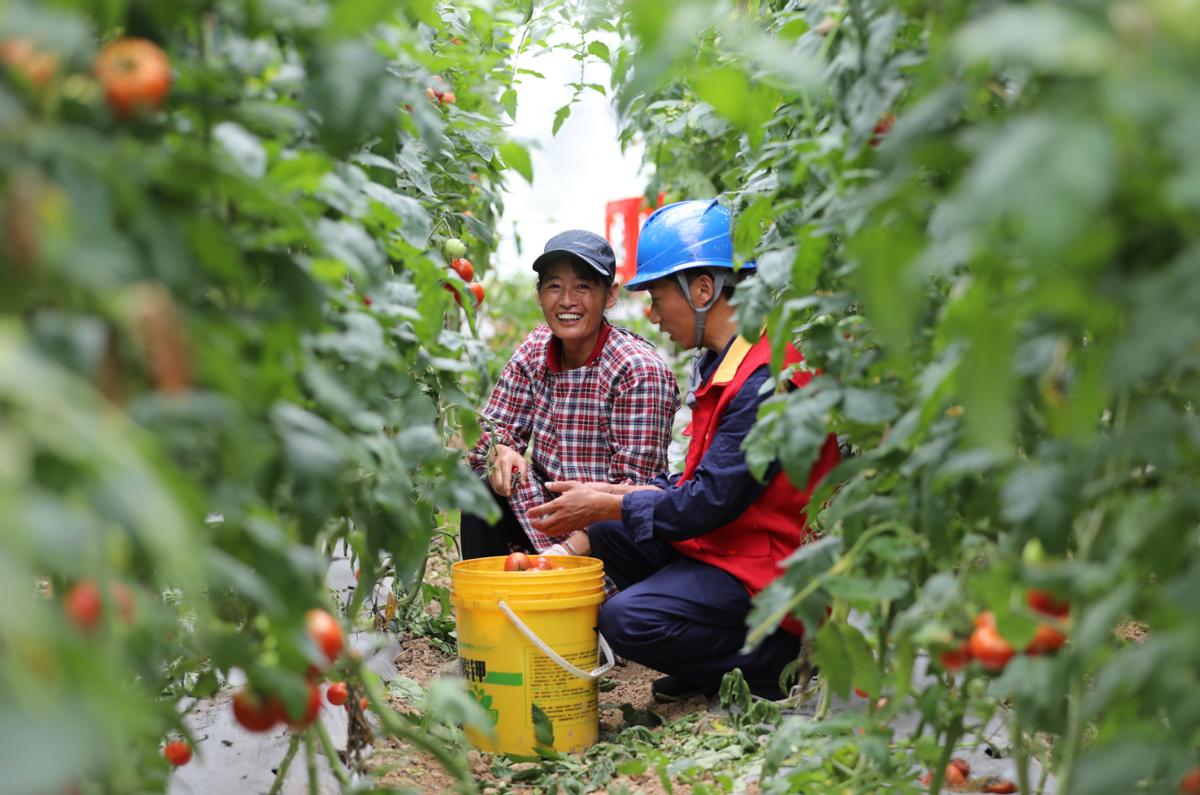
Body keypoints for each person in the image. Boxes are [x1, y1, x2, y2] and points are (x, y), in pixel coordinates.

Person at [526, 200, 840, 701]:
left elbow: (708, 502)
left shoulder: (764, 381)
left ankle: (777, 663)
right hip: (736, 542)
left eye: (656, 296)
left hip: (770, 569)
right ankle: (711, 660)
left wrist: (612, 501)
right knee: (609, 529)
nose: (651, 314)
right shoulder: (729, 362)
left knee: (626, 619)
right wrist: (613, 497)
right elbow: (705, 484)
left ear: (702, 290)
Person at [461, 230, 679, 561]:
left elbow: (633, 502)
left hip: (609, 536)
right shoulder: (536, 350)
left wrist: (562, 555)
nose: (566, 300)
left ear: (610, 296)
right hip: (547, 515)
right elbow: (487, 440)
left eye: (583, 286)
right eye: (553, 286)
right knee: (481, 486)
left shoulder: (637, 371)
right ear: (539, 294)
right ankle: (491, 603)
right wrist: (500, 453)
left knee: (619, 524)